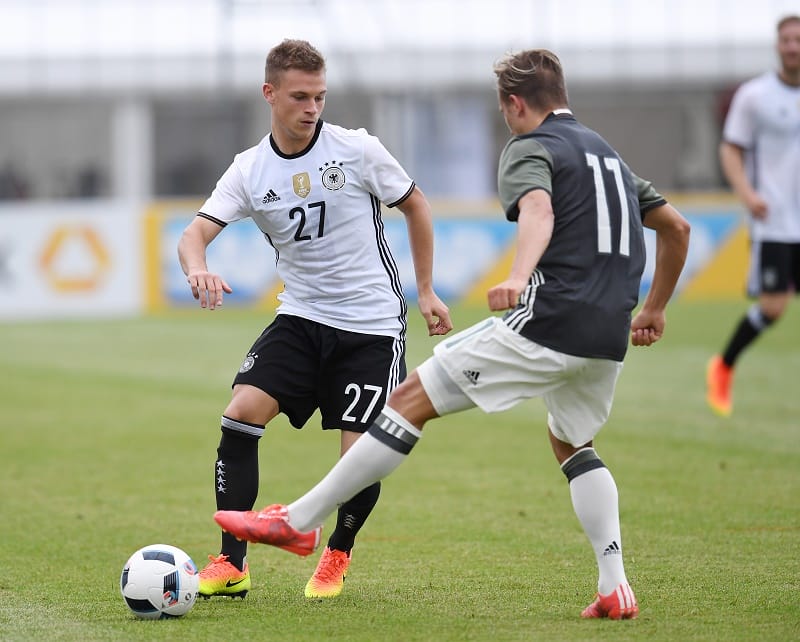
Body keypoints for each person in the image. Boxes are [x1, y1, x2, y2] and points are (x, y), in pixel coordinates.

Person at [214, 48, 691, 620]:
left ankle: (298, 522)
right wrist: (655, 308)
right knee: (572, 444)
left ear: (514, 104)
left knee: (408, 401)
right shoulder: (608, 157)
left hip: (548, 322)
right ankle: (614, 584)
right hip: (607, 337)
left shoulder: (530, 147)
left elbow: (537, 209)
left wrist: (518, 275)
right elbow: (676, 227)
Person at [177, 38, 453, 600]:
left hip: (372, 324)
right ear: (269, 93)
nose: (312, 108)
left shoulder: (356, 150)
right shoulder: (249, 170)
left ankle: (336, 554)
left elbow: (417, 206)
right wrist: (197, 267)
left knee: (360, 456)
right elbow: (194, 234)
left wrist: (425, 290)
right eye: (300, 96)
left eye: (320, 97)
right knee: (239, 415)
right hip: (301, 316)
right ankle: (232, 565)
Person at [706, 14, 800, 417]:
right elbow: (731, 148)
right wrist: (747, 193)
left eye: (799, 39)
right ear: (777, 45)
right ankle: (723, 367)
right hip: (776, 221)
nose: (793, 46)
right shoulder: (755, 96)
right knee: (774, 308)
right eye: (787, 40)